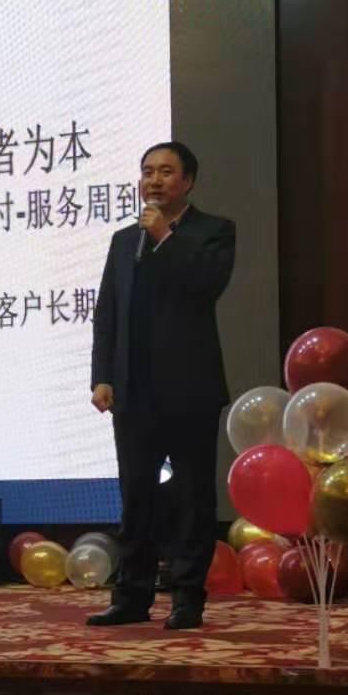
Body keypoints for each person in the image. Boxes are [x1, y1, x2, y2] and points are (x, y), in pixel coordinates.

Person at [88, 141, 235, 632]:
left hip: (190, 389)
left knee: (193, 499)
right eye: (147, 171)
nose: (154, 180)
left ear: (187, 181)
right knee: (136, 498)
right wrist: (102, 375)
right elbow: (107, 313)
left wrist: (165, 236)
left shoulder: (214, 232)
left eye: (166, 172)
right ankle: (131, 597)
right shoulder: (123, 240)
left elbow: (204, 286)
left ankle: (187, 599)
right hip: (133, 391)